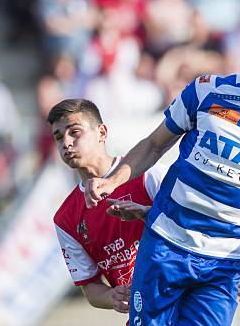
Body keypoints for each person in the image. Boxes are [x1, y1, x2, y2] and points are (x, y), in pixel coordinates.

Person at [85, 13, 240, 325]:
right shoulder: (208, 90)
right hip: (165, 246)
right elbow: (153, 145)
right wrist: (111, 181)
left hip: (222, 266)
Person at [50, 99, 165, 312]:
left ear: (102, 132)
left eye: (74, 132)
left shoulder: (146, 174)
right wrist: (112, 296)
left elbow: (187, 221)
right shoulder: (65, 218)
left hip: (182, 297)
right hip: (144, 314)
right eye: (59, 137)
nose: (66, 143)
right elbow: (90, 288)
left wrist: (147, 214)